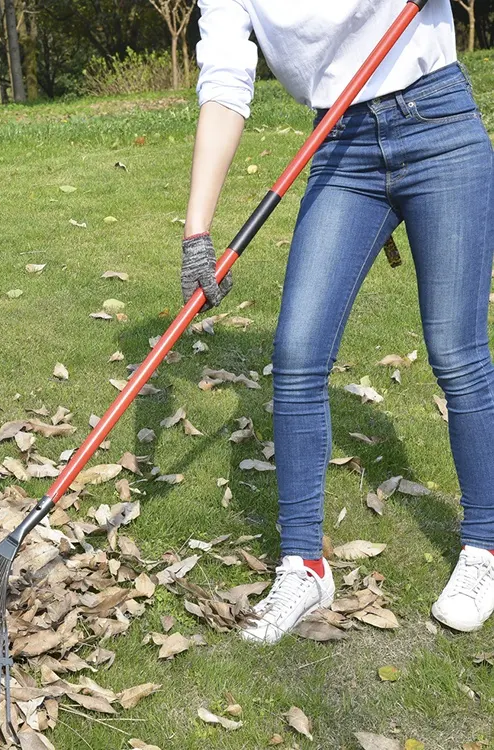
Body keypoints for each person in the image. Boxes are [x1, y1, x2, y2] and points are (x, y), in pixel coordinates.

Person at [181, 0, 494, 643]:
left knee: (455, 349)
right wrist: (197, 230)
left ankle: (485, 547)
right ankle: (305, 565)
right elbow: (225, 82)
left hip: (436, 121)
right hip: (340, 145)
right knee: (296, 353)